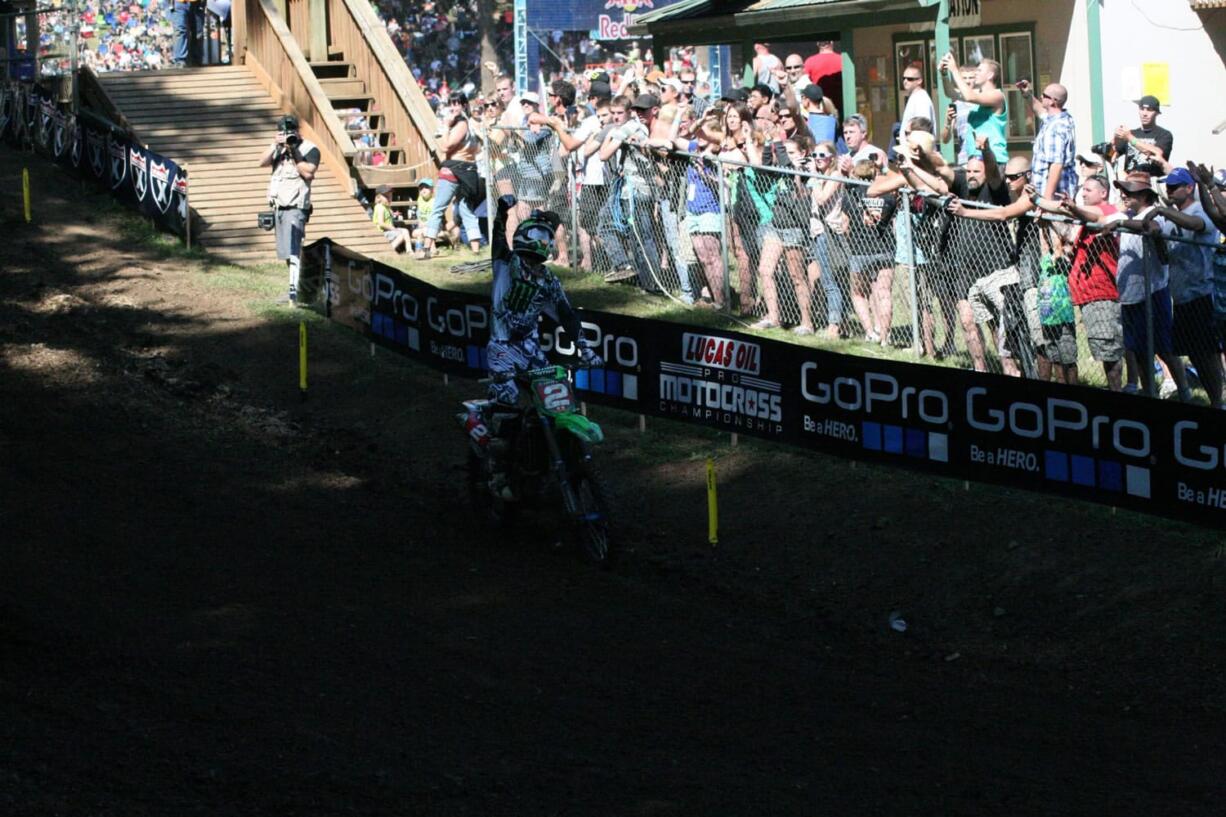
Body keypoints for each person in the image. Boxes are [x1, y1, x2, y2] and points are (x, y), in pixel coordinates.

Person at [480, 194, 603, 495]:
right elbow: (497, 241)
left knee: (555, 403)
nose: (539, 245)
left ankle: (548, 458)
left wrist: (585, 348)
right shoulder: (506, 264)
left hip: (531, 349)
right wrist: (501, 213)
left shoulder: (548, 279)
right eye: (535, 236)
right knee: (506, 408)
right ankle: (499, 477)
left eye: (544, 238)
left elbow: (566, 314)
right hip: (503, 349)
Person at [1102, 171, 1191, 400]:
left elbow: (1151, 229)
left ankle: (1184, 393)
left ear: (1143, 194)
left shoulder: (1155, 215)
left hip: (1152, 292)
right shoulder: (1129, 214)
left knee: (1165, 348)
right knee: (1138, 350)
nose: (1123, 194)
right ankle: (1148, 391)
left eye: (1128, 191)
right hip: (1130, 295)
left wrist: (1121, 223)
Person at [1144, 167, 1223, 407]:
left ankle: (1217, 402)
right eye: (1167, 186)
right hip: (1180, 295)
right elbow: (1166, 258)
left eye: (1175, 186)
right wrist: (1157, 237)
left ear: (1189, 188)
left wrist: (1161, 210)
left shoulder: (1199, 209)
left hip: (1202, 291)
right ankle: (1212, 400)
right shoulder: (1169, 218)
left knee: (1207, 352)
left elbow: (1196, 225)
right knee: (1195, 353)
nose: (1169, 190)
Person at [1056, 175, 1125, 390]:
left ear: (1103, 193)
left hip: (1103, 293)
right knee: (1101, 347)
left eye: (1088, 190)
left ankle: (1116, 392)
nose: (1083, 193)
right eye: (1082, 190)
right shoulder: (1085, 218)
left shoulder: (1109, 212)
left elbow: (1090, 216)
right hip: (1087, 294)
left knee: (1109, 349)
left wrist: (1074, 208)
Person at [259, 113, 319, 305]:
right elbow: (261, 162)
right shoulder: (279, 149)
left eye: (291, 131)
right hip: (280, 206)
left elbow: (308, 173)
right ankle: (297, 288)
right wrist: (275, 145)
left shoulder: (309, 148)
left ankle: (300, 293)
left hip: (296, 207)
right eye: (284, 132)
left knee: (295, 250)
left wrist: (294, 150)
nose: (287, 136)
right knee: (287, 252)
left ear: (298, 131)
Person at [419, 92, 483, 260]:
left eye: (457, 104)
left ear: (463, 105)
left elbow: (446, 147)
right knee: (465, 209)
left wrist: (446, 127)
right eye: (451, 104)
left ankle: (426, 248)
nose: (453, 107)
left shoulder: (461, 124)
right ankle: (475, 250)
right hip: (468, 171)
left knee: (439, 208)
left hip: (455, 170)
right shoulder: (468, 123)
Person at [939, 51, 1008, 165]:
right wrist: (944, 74)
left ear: (990, 75)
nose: (976, 73)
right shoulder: (977, 99)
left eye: (979, 71)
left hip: (993, 159)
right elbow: (950, 93)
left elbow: (970, 96)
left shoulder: (997, 95)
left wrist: (955, 70)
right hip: (973, 159)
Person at [1021, 81, 1077, 201]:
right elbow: (1040, 111)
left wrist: (1047, 199)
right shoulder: (1057, 118)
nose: (1041, 96)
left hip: (1053, 196)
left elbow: (1056, 165)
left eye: (1044, 95)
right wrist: (1027, 94)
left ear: (1053, 101)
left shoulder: (1056, 127)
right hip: (1043, 193)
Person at [1114, 96, 1173, 175]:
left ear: (1157, 113)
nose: (1144, 114)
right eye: (1142, 109)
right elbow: (1113, 155)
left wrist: (1130, 138)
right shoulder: (1131, 133)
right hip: (1130, 183)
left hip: (1152, 182)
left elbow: (1156, 153)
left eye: (1149, 110)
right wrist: (1115, 139)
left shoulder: (1164, 134)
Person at [372, 185, 411, 252]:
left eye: (390, 196)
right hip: (383, 232)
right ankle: (389, 250)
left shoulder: (385, 206)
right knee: (401, 235)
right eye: (386, 197)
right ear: (378, 197)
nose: (389, 198)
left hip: (388, 231)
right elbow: (381, 223)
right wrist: (392, 228)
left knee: (405, 231)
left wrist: (394, 214)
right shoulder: (380, 207)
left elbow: (388, 215)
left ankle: (409, 250)